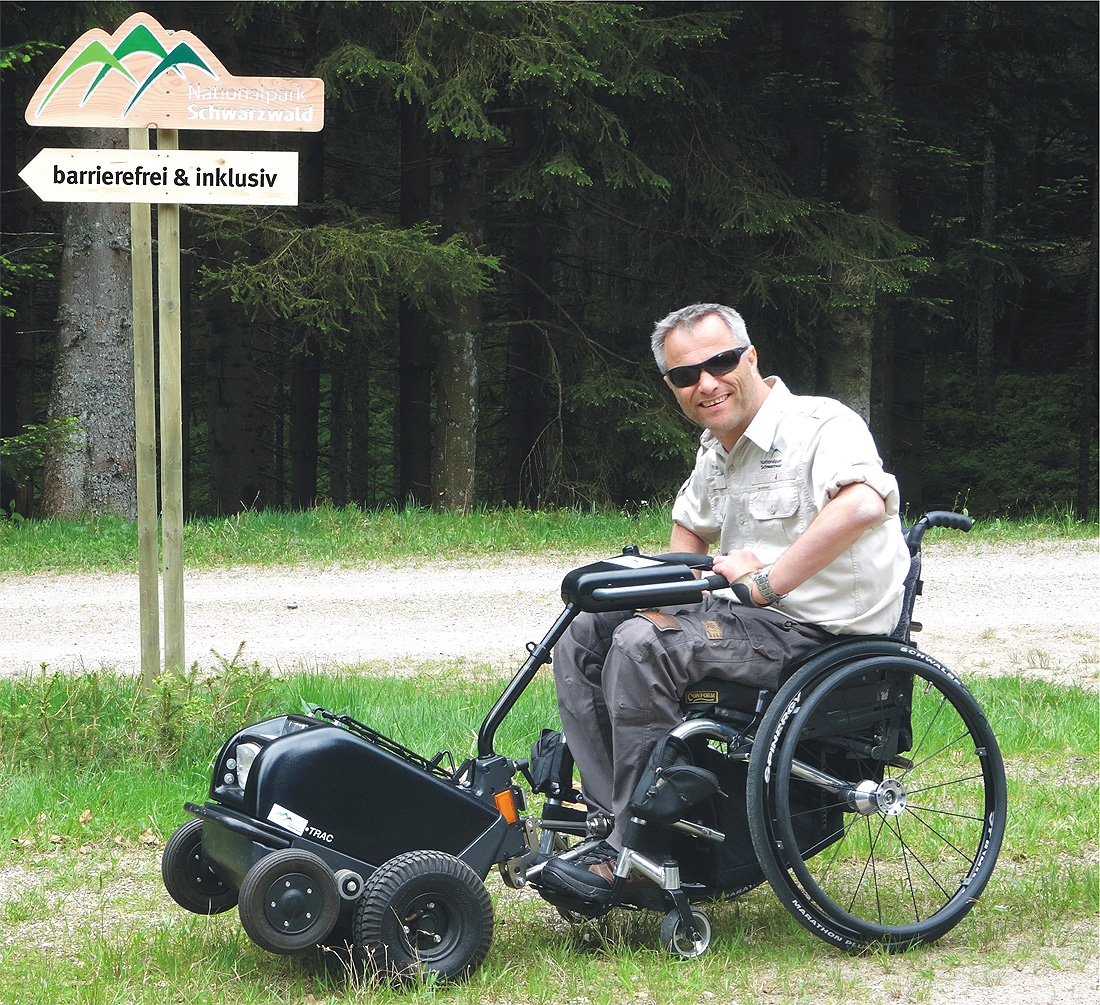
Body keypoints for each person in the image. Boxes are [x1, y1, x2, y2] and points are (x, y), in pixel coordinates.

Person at [540, 303, 911, 905]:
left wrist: (767, 582)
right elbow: (688, 528)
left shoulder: (820, 426)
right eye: (687, 375)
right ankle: (612, 827)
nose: (706, 383)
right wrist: (673, 601)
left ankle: (644, 852)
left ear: (751, 357)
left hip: (822, 637)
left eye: (720, 362)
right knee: (584, 631)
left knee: (642, 644)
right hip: (751, 624)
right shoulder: (717, 449)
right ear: (673, 387)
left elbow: (864, 504)